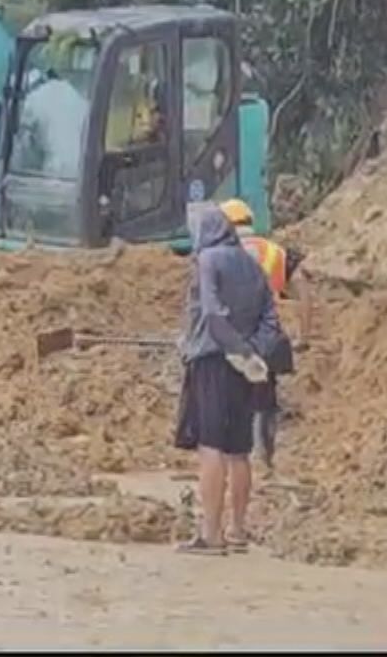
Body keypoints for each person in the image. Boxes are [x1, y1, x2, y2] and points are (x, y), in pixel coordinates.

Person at [173, 203, 281, 556]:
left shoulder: (208, 261)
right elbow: (271, 319)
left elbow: (212, 312)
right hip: (246, 366)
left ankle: (211, 534)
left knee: (211, 445)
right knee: (239, 449)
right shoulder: (251, 264)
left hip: (212, 360)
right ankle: (237, 530)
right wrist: (253, 354)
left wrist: (232, 348)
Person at [221, 198, 299, 478]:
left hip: (236, 337)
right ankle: (265, 458)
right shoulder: (276, 252)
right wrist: (306, 332)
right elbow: (305, 290)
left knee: (234, 398)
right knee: (265, 400)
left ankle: (238, 459)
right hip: (270, 337)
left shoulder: (221, 254)